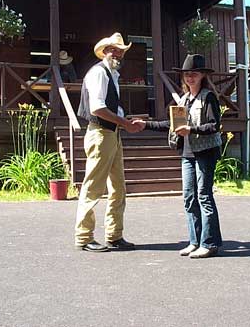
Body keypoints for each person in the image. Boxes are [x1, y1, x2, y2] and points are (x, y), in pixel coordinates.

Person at [133, 54, 223, 259]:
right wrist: (145, 124)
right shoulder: (183, 100)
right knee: (189, 198)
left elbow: (214, 125)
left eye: (195, 74)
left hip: (206, 153)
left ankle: (209, 243)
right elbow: (170, 125)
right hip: (187, 153)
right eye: (187, 74)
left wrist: (191, 129)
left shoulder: (208, 97)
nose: (190, 77)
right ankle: (195, 241)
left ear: (202, 76)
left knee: (204, 196)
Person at [74, 32, 141, 252]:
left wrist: (123, 122)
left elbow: (109, 107)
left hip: (111, 134)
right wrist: (124, 122)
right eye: (114, 49)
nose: (118, 53)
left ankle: (114, 235)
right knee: (93, 186)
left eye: (121, 50)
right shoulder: (99, 73)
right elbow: (97, 108)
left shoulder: (111, 74)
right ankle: (84, 237)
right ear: (105, 51)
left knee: (118, 187)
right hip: (101, 134)